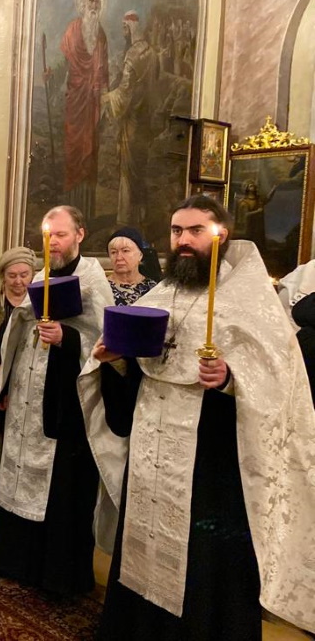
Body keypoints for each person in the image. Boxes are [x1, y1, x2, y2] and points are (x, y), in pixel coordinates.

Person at [80, 194, 315, 639]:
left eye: (195, 231)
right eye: (176, 231)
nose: (183, 240)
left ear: (220, 236)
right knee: (143, 544)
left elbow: (279, 380)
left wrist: (230, 378)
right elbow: (144, 364)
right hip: (152, 447)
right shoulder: (163, 293)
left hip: (211, 459)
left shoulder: (249, 299)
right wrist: (117, 360)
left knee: (206, 560)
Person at [0, 205, 113, 596]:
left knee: (62, 489)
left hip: (64, 404)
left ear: (79, 234)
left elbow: (104, 344)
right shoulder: (40, 277)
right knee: (18, 472)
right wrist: (8, 385)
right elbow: (17, 335)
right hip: (27, 397)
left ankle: (57, 576)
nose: (53, 242)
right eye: (48, 235)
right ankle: (15, 561)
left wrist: (66, 338)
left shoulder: (93, 280)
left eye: (60, 234)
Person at [0, 246, 36, 467]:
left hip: (28, 376)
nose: (18, 281)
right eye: (12, 276)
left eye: (24, 275)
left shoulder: (41, 298)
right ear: (3, 275)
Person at [59, 0, 108, 215]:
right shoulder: (72, 30)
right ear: (82, 2)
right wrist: (52, 75)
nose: (94, 5)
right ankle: (70, 212)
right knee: (74, 152)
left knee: (90, 157)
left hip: (92, 105)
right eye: (91, 1)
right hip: (75, 102)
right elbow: (63, 63)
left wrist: (104, 98)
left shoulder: (101, 35)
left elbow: (104, 72)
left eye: (97, 1)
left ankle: (86, 213)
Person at [102, 11, 156, 226]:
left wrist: (106, 97)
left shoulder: (133, 55)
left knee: (128, 169)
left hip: (133, 121)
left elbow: (125, 91)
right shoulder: (152, 53)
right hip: (146, 121)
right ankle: (140, 217)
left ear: (131, 27)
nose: (123, 32)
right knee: (139, 169)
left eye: (125, 28)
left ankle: (125, 220)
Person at [107, 227, 158, 306]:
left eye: (125, 251)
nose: (119, 257)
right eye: (113, 252)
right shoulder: (101, 288)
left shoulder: (154, 289)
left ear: (140, 255)